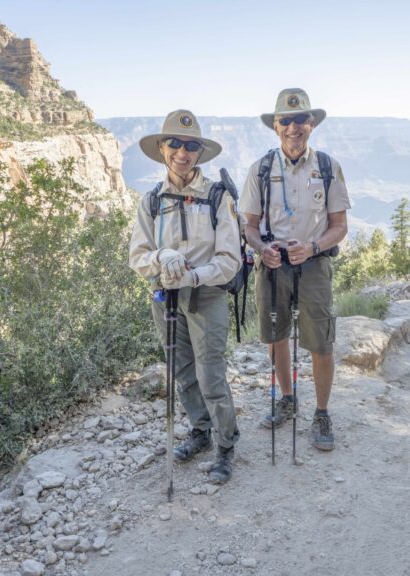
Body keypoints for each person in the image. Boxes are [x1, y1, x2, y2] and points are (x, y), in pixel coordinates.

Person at [129, 110, 241, 483]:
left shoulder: (217, 197)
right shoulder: (151, 201)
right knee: (182, 371)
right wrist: (161, 257)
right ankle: (200, 430)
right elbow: (138, 256)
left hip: (206, 296)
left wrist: (193, 275)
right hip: (165, 298)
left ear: (200, 153)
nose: (182, 152)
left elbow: (229, 260)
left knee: (210, 374)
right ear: (162, 148)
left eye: (191, 145)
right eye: (174, 143)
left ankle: (225, 444)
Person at [240, 88, 351, 452]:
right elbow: (249, 226)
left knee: (320, 340)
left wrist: (314, 246)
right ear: (275, 126)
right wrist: (261, 248)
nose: (293, 127)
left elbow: (339, 225)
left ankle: (321, 412)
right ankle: (288, 398)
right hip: (272, 266)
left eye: (300, 119)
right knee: (276, 336)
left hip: (315, 264)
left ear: (311, 124)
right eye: (286, 120)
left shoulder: (327, 167)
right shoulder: (261, 169)